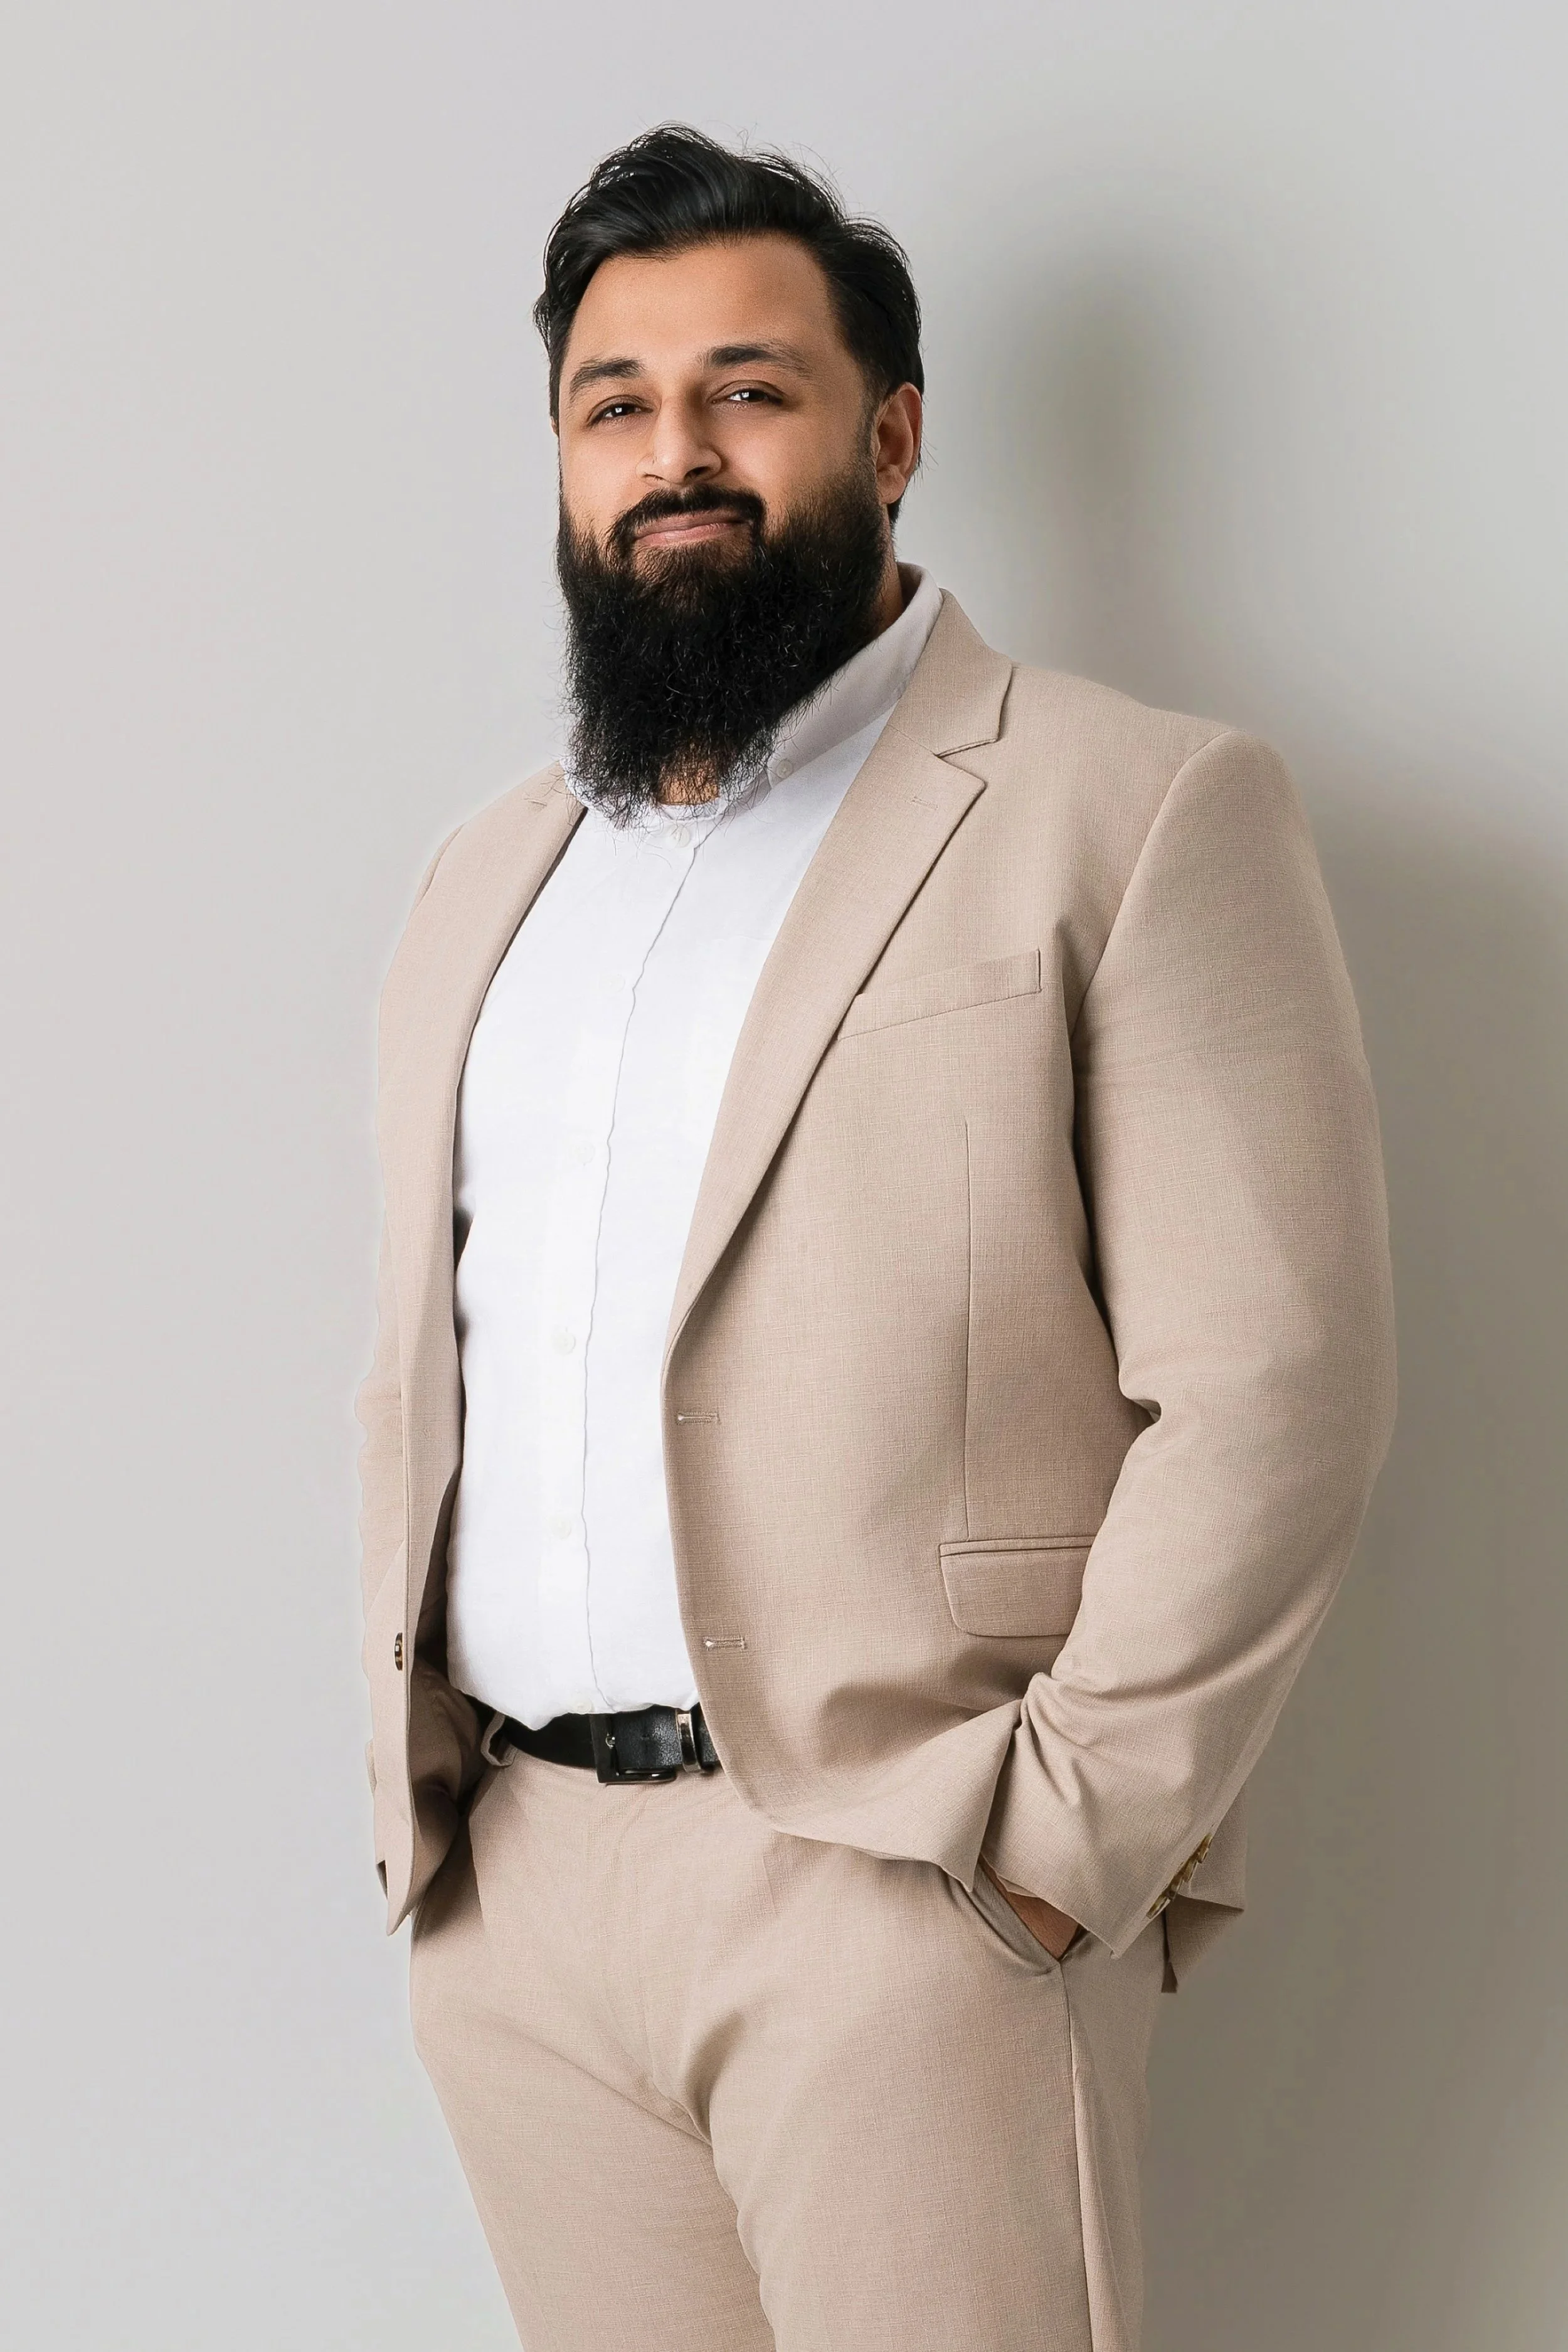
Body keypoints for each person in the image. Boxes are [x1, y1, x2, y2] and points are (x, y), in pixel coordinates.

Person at [356, 124, 1396, 2352]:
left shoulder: (1123, 808)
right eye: (614, 403)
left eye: (748, 388)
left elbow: (1276, 1377)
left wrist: (1055, 1838)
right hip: (521, 1903)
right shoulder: (480, 882)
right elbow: (433, 1356)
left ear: (891, 430)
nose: (675, 454)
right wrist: (427, 1838)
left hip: (895, 1879)